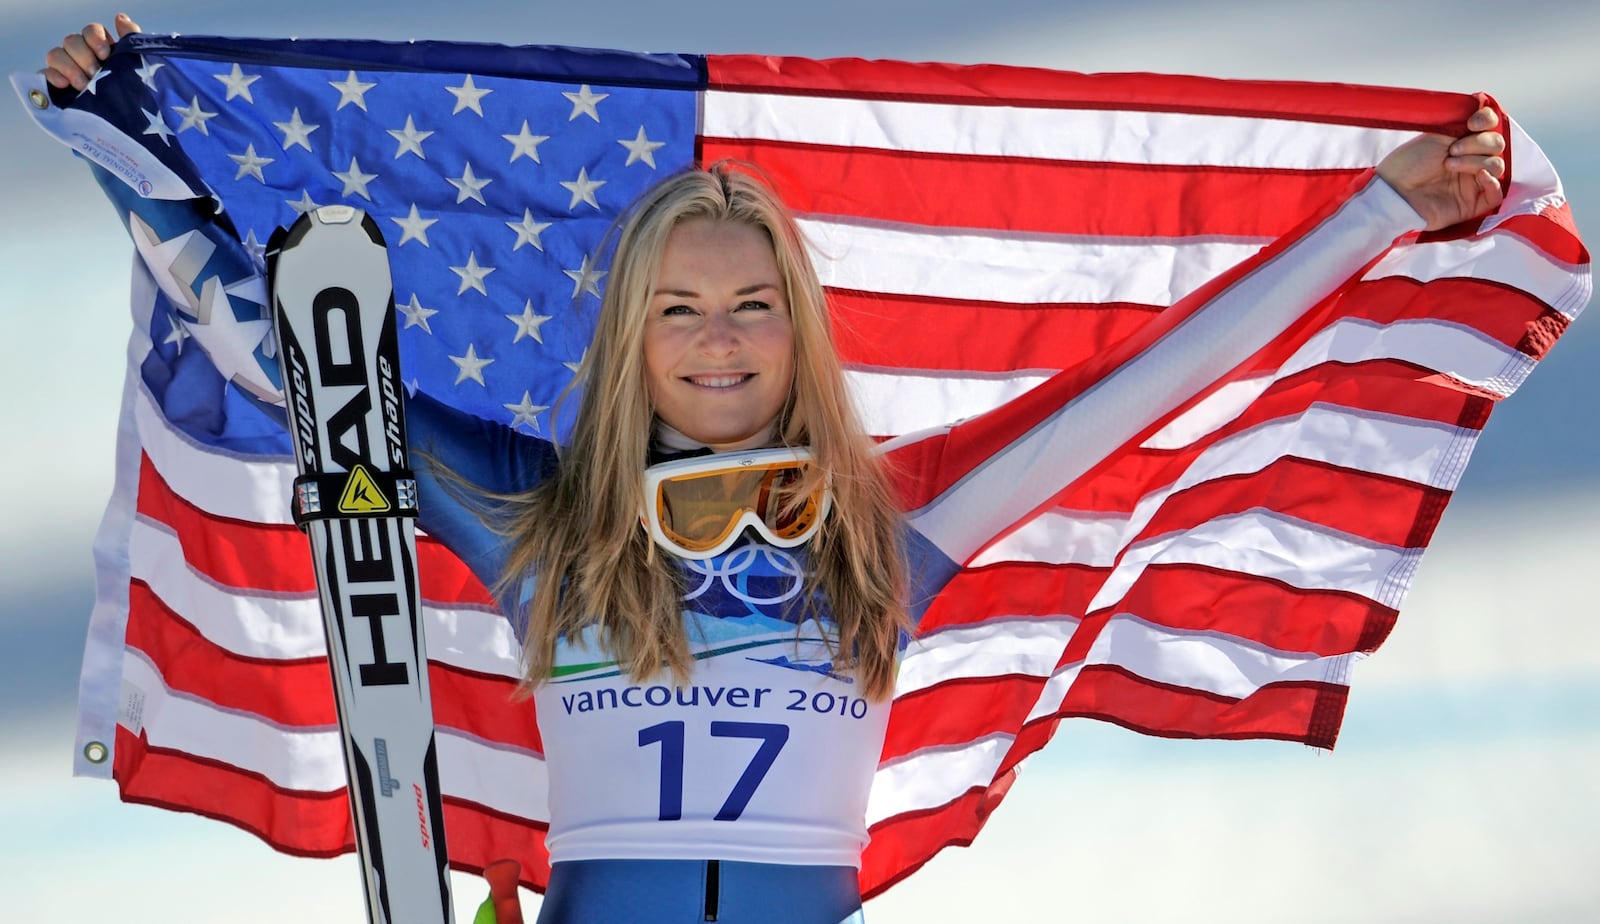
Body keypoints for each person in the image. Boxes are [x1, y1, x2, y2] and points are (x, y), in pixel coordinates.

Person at [43, 15, 1509, 924]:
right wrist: (117, 135)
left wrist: (1378, 209)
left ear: (798, 334)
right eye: (680, 309)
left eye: (752, 307)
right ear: (631, 336)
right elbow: (294, 351)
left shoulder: (889, 538)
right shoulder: (539, 521)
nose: (720, 342)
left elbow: (1149, 390)